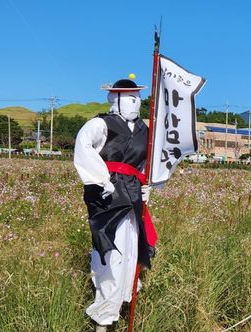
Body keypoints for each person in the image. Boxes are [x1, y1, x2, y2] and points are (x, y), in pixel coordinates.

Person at [74, 78, 155, 331]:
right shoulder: (100, 124)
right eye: (131, 98)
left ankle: (117, 307)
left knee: (131, 250)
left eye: (139, 97)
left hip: (132, 195)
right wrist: (100, 180)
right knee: (110, 252)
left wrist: (146, 183)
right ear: (115, 99)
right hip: (107, 196)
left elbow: (146, 162)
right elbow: (83, 147)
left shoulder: (145, 130)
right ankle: (103, 318)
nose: (137, 102)